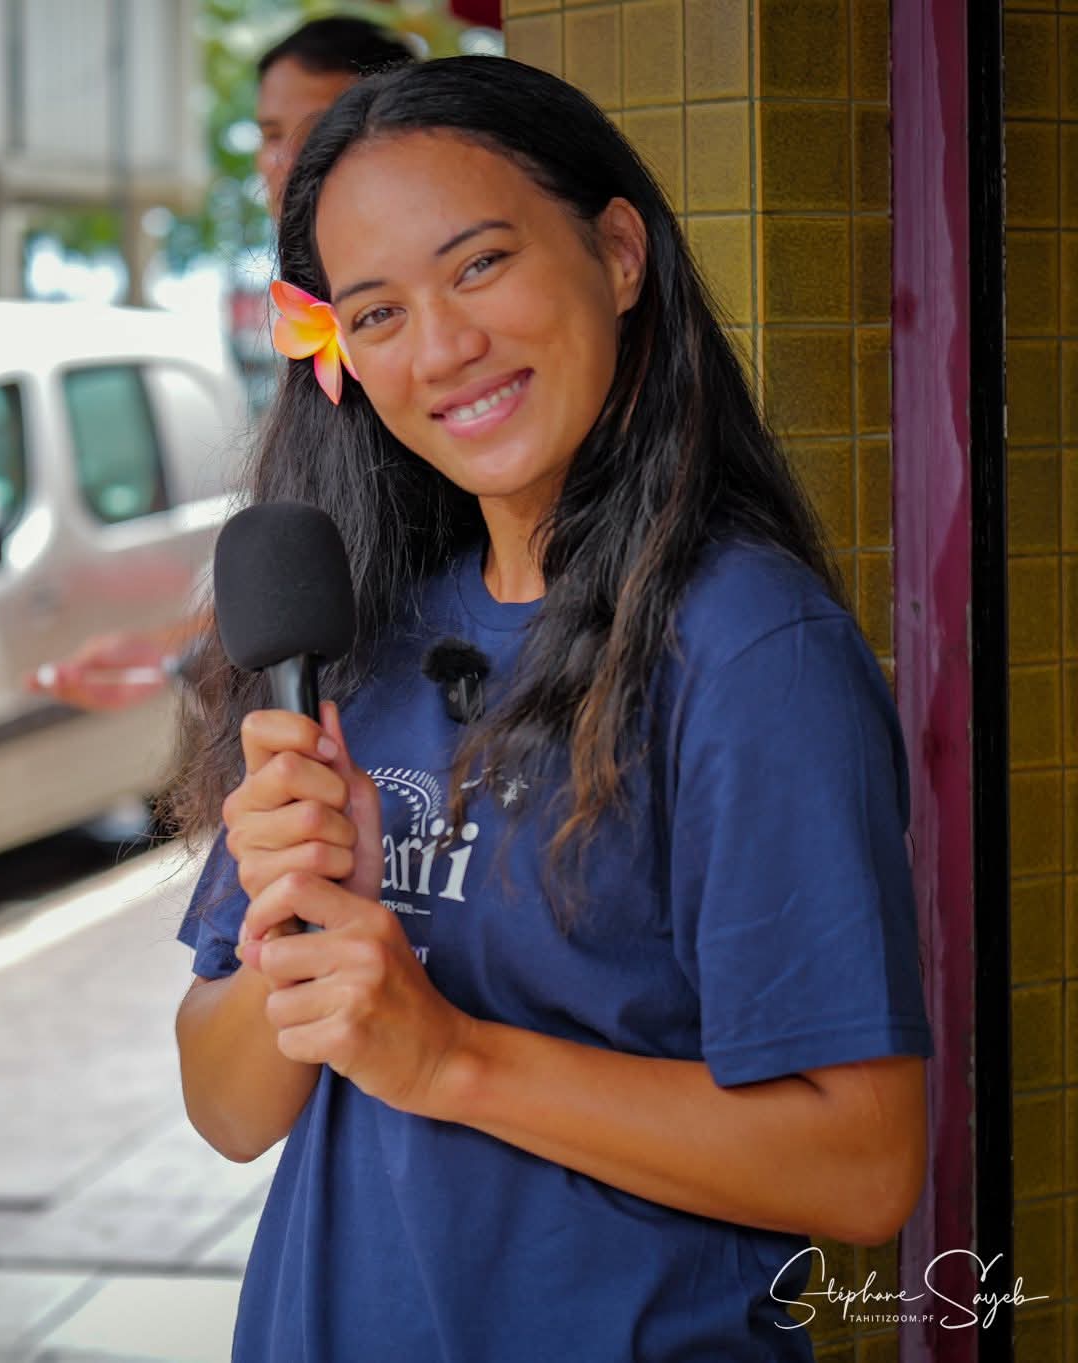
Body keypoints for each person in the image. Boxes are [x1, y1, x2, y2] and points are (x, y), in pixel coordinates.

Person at [170, 58, 930, 1362]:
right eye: (379, 311)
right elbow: (232, 1107)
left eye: (478, 266)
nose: (444, 348)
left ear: (619, 250)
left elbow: (860, 1163)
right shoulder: (362, 630)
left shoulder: (748, 647)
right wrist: (295, 906)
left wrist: (449, 1057)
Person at [31, 16, 414, 712]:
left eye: (324, 126)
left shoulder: (427, 346)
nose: (290, 160)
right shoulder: (308, 325)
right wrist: (168, 656)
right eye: (271, 136)